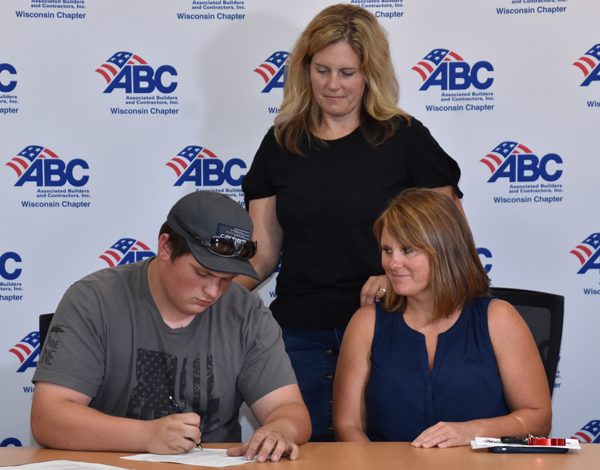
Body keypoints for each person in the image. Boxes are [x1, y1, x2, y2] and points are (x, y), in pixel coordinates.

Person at [240, 3, 463, 441]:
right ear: (305, 69)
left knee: (395, 452)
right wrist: (202, 290)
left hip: (390, 327)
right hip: (299, 334)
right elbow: (262, 254)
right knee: (304, 455)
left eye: (347, 72)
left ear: (369, 73)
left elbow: (450, 240)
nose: (333, 85)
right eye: (322, 70)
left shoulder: (405, 137)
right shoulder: (281, 141)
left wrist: (389, 275)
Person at [31, 191, 311, 461]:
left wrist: (279, 430)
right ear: (165, 247)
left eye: (227, 279)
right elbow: (49, 417)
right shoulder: (93, 300)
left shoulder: (245, 311)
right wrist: (146, 435)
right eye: (203, 273)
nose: (213, 291)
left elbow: (288, 409)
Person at [333, 188, 552, 446]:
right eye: (387, 250)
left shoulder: (498, 318)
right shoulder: (366, 323)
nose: (392, 263)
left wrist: (472, 431)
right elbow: (348, 426)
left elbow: (539, 419)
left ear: (444, 250)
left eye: (407, 249)